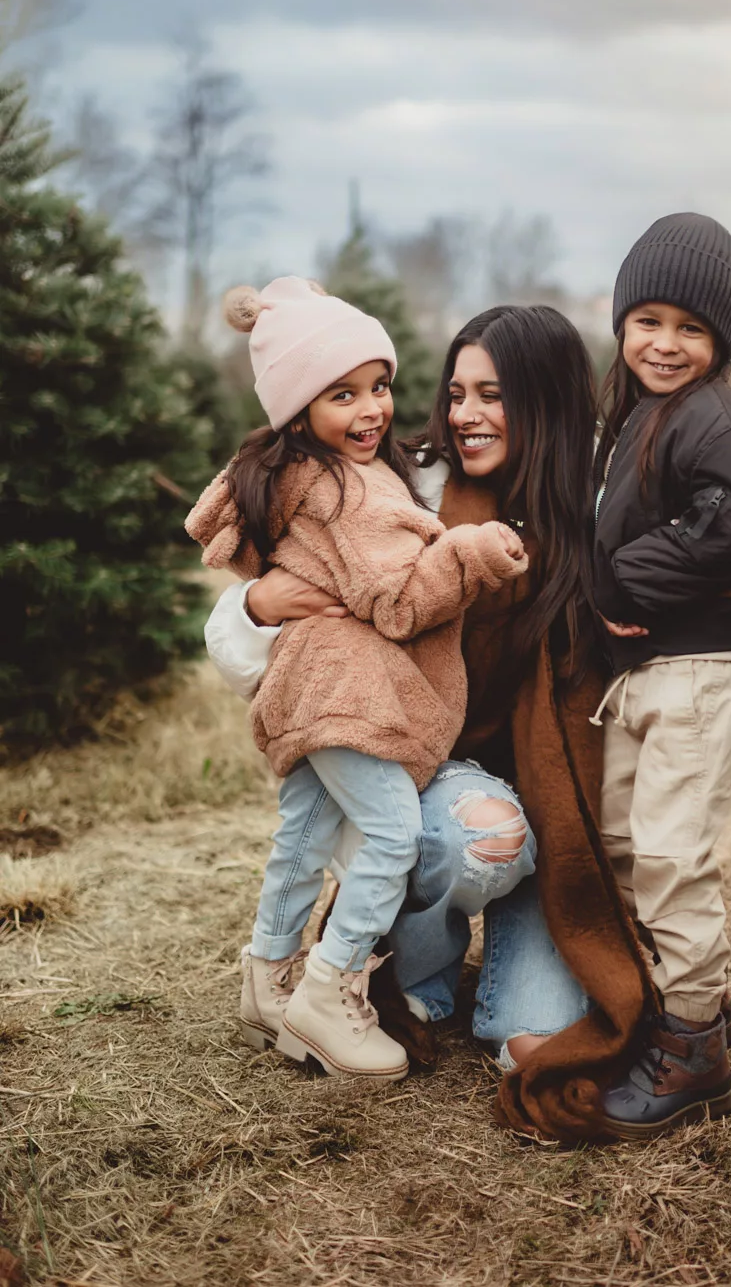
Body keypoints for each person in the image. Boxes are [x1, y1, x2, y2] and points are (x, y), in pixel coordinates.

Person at [205, 301, 731, 1141]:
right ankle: (414, 975)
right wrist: (257, 609)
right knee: (484, 836)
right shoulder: (401, 490)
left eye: (494, 395)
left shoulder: (610, 511)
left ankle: (524, 982)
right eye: (456, 393)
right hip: (433, 775)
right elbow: (281, 660)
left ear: (547, 401)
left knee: (538, 1049)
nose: (465, 416)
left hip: (564, 812)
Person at [186, 276, 527, 1084]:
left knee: (303, 836)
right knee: (390, 836)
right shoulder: (355, 488)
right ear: (299, 409)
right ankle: (326, 989)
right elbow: (400, 603)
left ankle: (267, 975)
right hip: (347, 691)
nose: (373, 408)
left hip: (311, 689)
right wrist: (473, 551)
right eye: (343, 394)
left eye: (380, 385)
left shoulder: (304, 473)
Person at [591, 212, 731, 1138]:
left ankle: (694, 1050)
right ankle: (685, 1005)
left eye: (692, 329)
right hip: (647, 672)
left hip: (705, 670)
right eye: (650, 321)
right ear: (623, 320)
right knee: (624, 843)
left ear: (720, 342)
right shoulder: (637, 414)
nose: (666, 344)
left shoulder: (721, 419)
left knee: (671, 856)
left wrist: (625, 578)